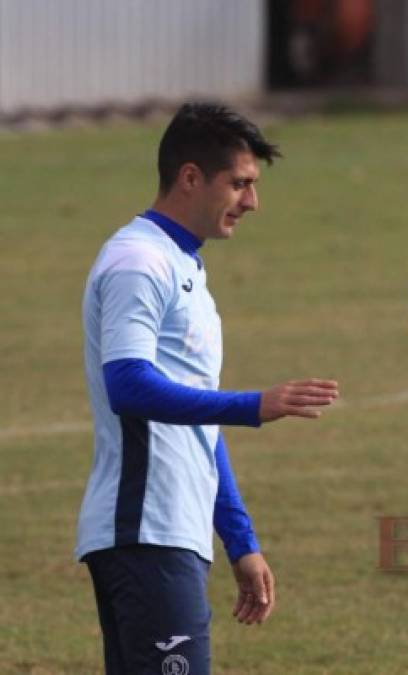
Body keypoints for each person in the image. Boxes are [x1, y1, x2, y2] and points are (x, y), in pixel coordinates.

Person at [76, 102, 339, 675]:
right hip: (144, 529)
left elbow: (198, 424)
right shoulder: (138, 261)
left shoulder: (183, 264)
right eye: (239, 184)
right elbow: (127, 384)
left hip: (174, 530)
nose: (252, 202)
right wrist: (255, 406)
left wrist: (240, 541)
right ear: (191, 177)